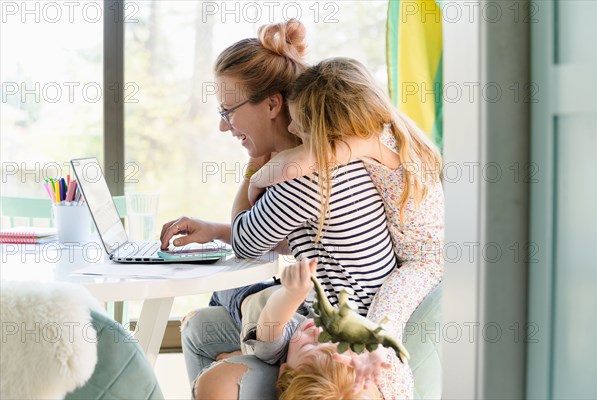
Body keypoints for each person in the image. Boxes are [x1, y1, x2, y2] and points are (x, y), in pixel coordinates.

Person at [159, 21, 399, 400]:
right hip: (335, 314)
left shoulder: (301, 177)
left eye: (227, 110)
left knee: (230, 293)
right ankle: (243, 354)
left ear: (272, 104)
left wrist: (254, 169)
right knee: (203, 324)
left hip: (325, 334)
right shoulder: (325, 155)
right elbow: (287, 239)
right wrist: (215, 229)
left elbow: (246, 243)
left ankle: (245, 361)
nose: (223, 126)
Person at [244, 57, 445, 399]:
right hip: (417, 254)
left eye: (301, 125)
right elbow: (334, 91)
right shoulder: (384, 126)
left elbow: (295, 166)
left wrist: (256, 178)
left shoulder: (366, 144)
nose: (293, 130)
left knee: (383, 328)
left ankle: (395, 391)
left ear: (331, 130)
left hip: (422, 265)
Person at [208, 258, 391, 399]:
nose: (318, 333)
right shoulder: (318, 349)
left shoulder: (273, 348)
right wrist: (376, 347)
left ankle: (245, 350)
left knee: (228, 260)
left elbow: (273, 316)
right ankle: (245, 349)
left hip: (245, 295)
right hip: (289, 289)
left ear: (283, 371)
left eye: (308, 347)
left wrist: (292, 295)